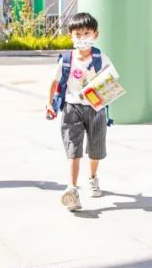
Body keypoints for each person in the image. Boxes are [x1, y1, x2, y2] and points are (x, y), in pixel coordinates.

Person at [45, 12, 115, 212]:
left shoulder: (101, 58)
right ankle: (72, 189)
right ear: (71, 36)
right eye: (78, 34)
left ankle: (92, 178)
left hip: (96, 109)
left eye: (87, 33)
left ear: (95, 34)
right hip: (71, 108)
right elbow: (54, 82)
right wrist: (49, 103)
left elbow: (110, 82)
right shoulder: (67, 59)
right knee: (73, 150)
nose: (82, 38)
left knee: (95, 149)